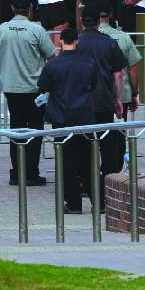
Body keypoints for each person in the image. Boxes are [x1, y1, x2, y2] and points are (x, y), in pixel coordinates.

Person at [0, 0, 56, 185]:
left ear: (11, 8)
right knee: (34, 131)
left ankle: (17, 173)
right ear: (30, 10)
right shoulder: (37, 30)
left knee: (16, 129)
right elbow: (52, 56)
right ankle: (31, 173)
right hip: (34, 90)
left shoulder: (2, 30)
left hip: (11, 89)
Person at [36, 27, 97, 214]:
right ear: (76, 41)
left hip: (62, 118)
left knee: (66, 162)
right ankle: (99, 201)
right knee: (88, 160)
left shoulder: (53, 65)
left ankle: (73, 203)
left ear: (60, 41)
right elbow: (94, 85)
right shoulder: (89, 62)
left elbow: (43, 86)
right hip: (85, 116)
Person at [76, 1, 127, 197]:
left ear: (81, 21)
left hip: (81, 102)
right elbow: (118, 75)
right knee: (106, 144)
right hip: (104, 99)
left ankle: (86, 184)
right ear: (99, 21)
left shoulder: (77, 42)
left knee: (84, 144)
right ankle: (108, 183)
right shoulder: (109, 42)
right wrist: (117, 99)